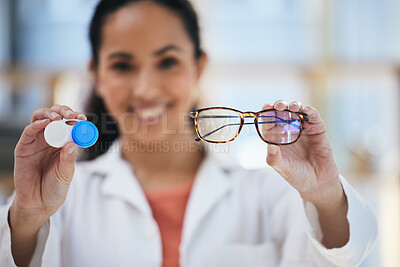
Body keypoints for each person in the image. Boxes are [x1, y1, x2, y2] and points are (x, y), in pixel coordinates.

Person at [0, 0, 377, 266]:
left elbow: (347, 254)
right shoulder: (63, 204)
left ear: (199, 69)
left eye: (168, 62)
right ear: (97, 74)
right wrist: (28, 217)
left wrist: (326, 194)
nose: (146, 88)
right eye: (122, 65)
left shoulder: (269, 195)